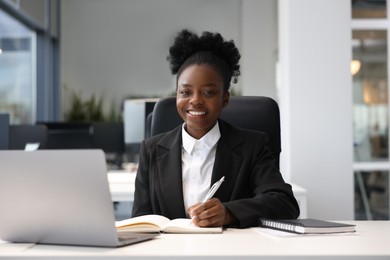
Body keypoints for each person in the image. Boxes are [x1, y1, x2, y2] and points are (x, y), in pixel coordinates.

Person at [131, 29, 300, 228]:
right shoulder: (152, 150)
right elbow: (139, 222)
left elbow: (284, 203)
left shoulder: (252, 146)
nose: (195, 100)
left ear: (225, 99)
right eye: (185, 92)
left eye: (208, 92)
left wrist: (229, 213)